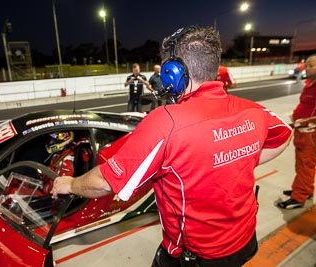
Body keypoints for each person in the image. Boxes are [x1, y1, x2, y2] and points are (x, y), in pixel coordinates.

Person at [51, 26, 292, 267]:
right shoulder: (253, 110)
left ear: (173, 73)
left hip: (195, 258)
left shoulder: (166, 122)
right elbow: (284, 136)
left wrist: (70, 184)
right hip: (245, 241)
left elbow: (105, 182)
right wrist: (236, 158)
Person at [278, 54, 316, 209]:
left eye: (311, 65)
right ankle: (306, 190)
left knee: (305, 164)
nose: (306, 68)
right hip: (302, 130)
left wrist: (305, 122)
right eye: (306, 64)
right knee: (303, 164)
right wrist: (294, 118)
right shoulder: (309, 83)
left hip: (310, 132)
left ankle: (298, 197)